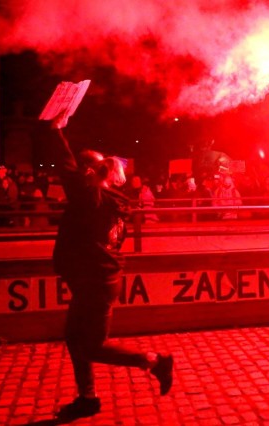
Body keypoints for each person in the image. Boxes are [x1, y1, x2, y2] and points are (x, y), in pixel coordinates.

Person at [49, 114, 173, 420]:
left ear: (88, 172)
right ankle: (87, 398)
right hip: (96, 280)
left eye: (81, 171)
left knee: (91, 346)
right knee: (75, 339)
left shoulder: (91, 198)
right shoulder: (109, 200)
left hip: (95, 282)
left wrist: (55, 132)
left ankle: (156, 362)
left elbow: (67, 169)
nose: (74, 177)